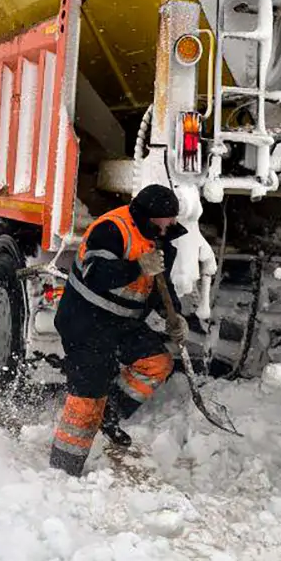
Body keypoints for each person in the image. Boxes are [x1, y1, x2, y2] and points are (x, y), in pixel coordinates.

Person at [49, 184, 189, 476]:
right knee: (88, 396)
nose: (171, 226)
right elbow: (97, 275)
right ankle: (63, 470)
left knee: (157, 363)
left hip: (123, 323)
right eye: (165, 221)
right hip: (86, 321)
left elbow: (160, 285)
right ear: (147, 216)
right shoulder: (111, 230)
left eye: (173, 220)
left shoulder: (161, 238)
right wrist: (138, 266)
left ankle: (108, 414)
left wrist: (173, 315)